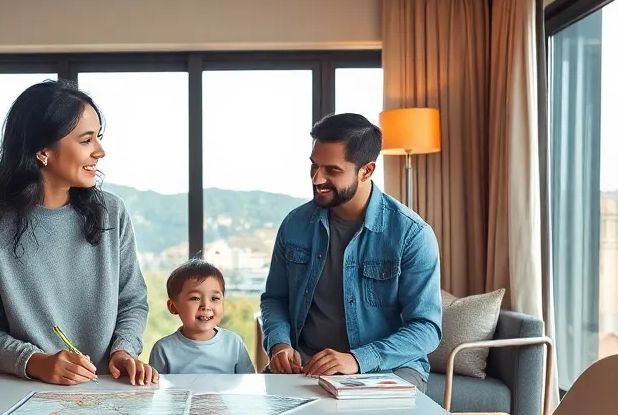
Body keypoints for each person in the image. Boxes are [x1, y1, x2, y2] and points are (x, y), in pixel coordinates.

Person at [0, 80, 157, 386]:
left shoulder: (112, 213)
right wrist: (36, 363)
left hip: (107, 391)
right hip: (23, 394)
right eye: (86, 140)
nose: (100, 151)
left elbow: (132, 301)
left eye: (98, 138)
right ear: (43, 151)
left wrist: (123, 352)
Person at [259, 113, 442, 386]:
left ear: (366, 171)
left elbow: (426, 328)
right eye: (314, 166)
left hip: (387, 369)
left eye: (331, 170)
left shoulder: (411, 234)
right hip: (306, 364)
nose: (317, 178)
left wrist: (357, 359)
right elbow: (275, 299)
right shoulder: (294, 225)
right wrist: (279, 345)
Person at [148, 258, 255, 375]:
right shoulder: (163, 349)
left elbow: (248, 384)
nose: (206, 306)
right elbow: (155, 390)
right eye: (195, 298)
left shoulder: (233, 343)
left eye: (214, 298)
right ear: (172, 306)